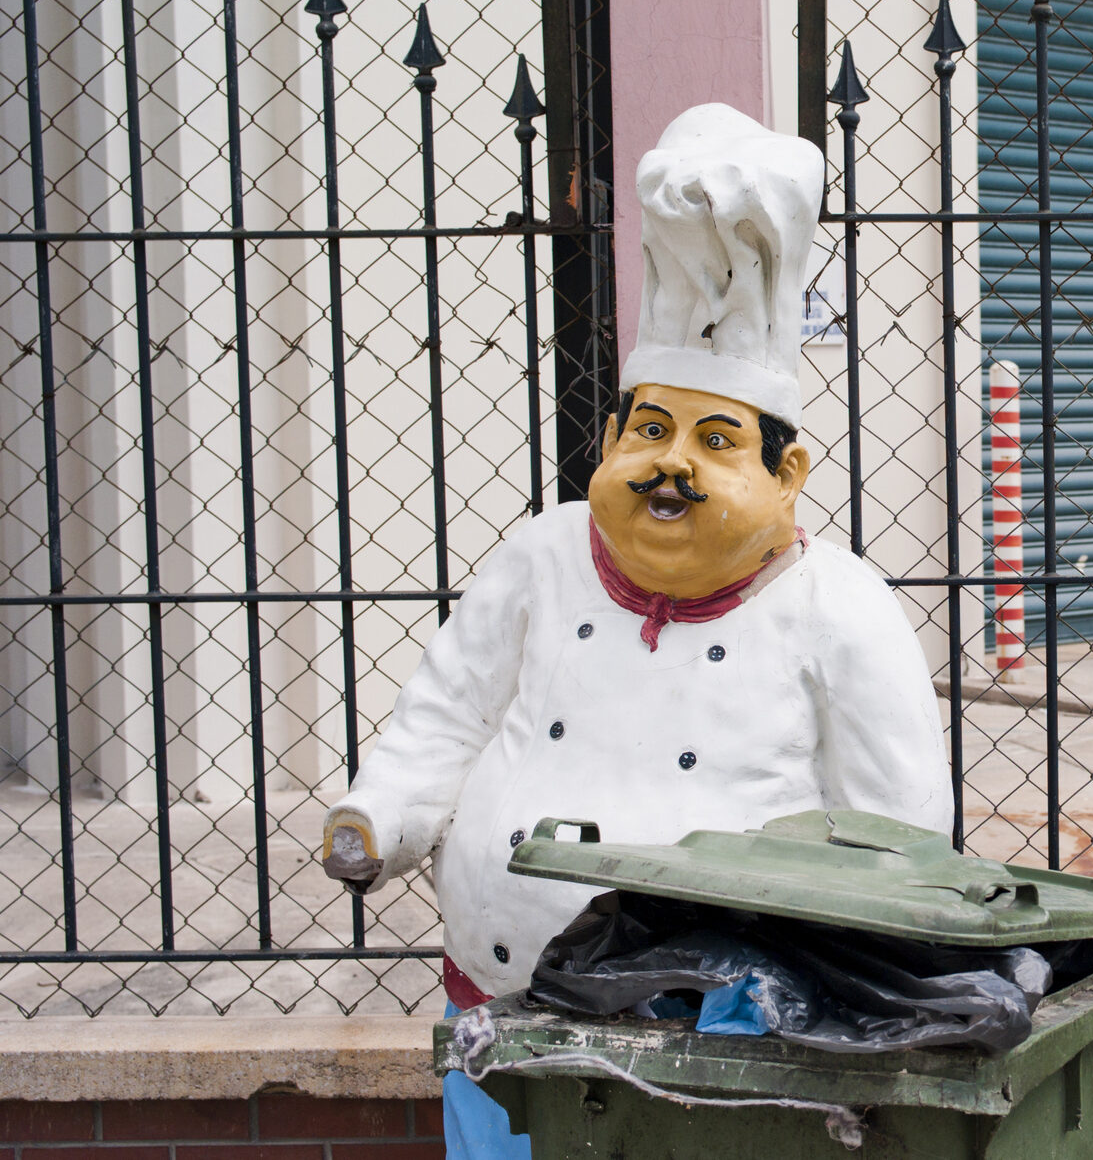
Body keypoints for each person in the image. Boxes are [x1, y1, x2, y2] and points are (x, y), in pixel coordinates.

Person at [316, 103, 950, 1159]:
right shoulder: (542, 554)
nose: (671, 466)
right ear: (609, 437)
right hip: (501, 1007)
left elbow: (900, 834)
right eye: (649, 430)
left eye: (716, 441)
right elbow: (444, 716)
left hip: (717, 1044)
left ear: (787, 474)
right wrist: (383, 814)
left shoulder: (838, 605)